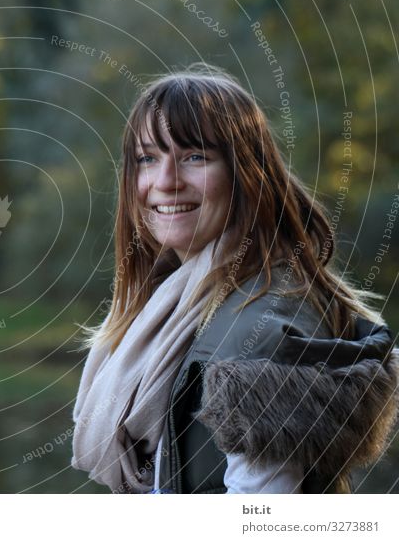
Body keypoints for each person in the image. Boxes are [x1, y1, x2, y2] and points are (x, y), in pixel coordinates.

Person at [71, 64, 399, 494]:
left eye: (194, 157)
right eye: (148, 158)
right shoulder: (171, 304)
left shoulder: (261, 328)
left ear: (245, 175)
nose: (166, 182)